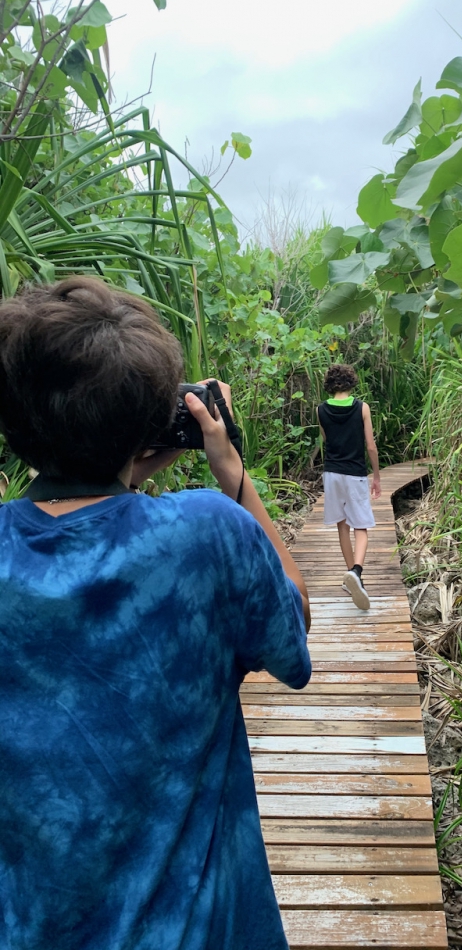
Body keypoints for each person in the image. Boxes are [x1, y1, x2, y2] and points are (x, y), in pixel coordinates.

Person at [0, 276, 311, 950]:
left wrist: (120, 464)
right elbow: (294, 638)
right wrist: (231, 473)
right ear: (144, 420)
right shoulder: (208, 533)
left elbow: (73, 513)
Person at [317, 364, 381, 610]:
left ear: (330, 385)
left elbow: (327, 439)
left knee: (342, 524)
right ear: (352, 382)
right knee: (361, 525)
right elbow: (371, 446)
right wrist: (376, 476)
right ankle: (356, 570)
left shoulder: (320, 410)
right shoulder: (362, 408)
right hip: (355, 473)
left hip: (332, 473)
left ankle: (351, 577)